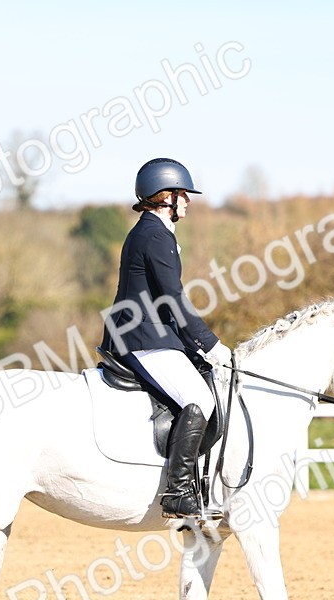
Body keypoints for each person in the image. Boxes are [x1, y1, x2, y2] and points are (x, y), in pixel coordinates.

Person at [100, 157, 233, 519]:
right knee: (199, 398)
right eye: (183, 194)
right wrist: (209, 343)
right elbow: (172, 298)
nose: (188, 201)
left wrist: (192, 346)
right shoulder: (155, 234)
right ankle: (177, 492)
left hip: (148, 332)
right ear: (164, 197)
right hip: (143, 337)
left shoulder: (150, 231)